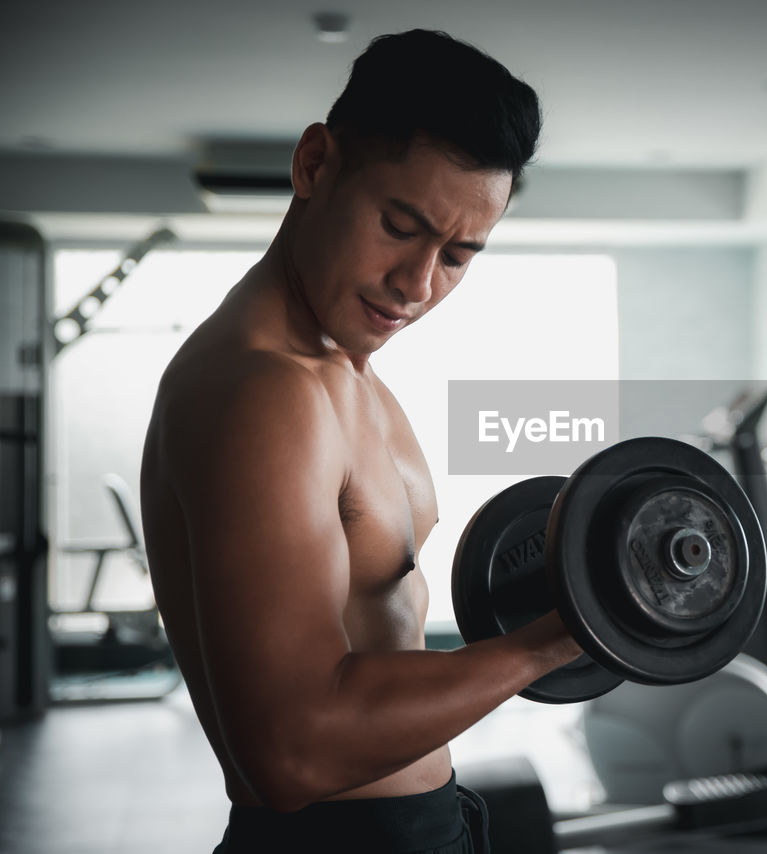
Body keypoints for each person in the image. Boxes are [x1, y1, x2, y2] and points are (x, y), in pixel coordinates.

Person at [139, 29, 582, 853]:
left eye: (457, 256)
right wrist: (560, 640)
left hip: (419, 822)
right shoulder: (263, 392)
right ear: (314, 166)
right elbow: (290, 753)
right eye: (399, 225)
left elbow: (386, 630)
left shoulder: (348, 371)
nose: (417, 285)